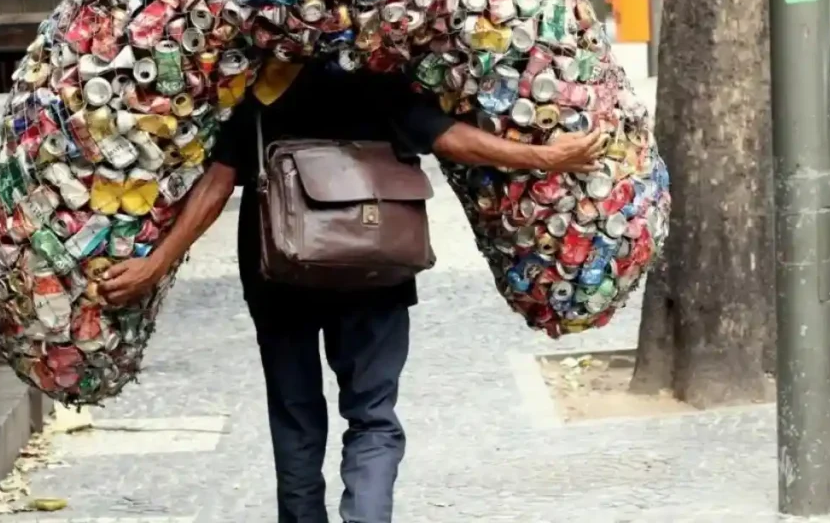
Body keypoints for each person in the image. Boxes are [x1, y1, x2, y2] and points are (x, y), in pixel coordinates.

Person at [100, 58, 604, 523]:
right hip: (375, 270)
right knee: (373, 419)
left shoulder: (256, 83)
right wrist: (544, 156)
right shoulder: (379, 74)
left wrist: (156, 264)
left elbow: (216, 183)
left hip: (279, 271)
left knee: (295, 422)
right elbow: (450, 139)